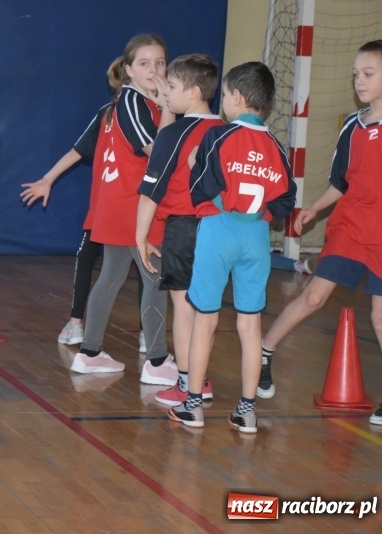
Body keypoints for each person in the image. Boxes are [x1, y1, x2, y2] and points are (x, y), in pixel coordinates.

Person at [260, 40, 382, 425]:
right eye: (356, 75)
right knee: (314, 297)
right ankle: (264, 353)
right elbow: (341, 182)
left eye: (368, 74)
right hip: (351, 225)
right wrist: (315, 208)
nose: (359, 81)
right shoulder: (352, 126)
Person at [168, 61, 296, 433]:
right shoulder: (276, 147)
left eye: (224, 94)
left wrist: (195, 165)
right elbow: (286, 200)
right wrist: (258, 215)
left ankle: (193, 405)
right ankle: (247, 410)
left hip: (218, 232)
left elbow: (200, 188)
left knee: (204, 320)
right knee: (250, 325)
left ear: (237, 98)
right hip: (256, 237)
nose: (223, 100)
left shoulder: (218, 137)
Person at [67, 34, 178, 383]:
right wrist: (170, 108)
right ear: (129, 69)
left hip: (127, 206)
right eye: (145, 63)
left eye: (160, 62)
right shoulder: (132, 101)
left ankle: (90, 353)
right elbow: (155, 151)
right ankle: (158, 361)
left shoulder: (147, 103)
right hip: (134, 207)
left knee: (112, 277)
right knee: (155, 280)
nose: (154, 69)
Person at [21, 57, 149, 349]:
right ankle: (137, 333)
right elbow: (78, 150)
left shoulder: (142, 114)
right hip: (117, 204)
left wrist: (49, 178)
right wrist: (48, 179)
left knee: (130, 264)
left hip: (124, 203)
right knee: (141, 265)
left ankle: (80, 325)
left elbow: (75, 153)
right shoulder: (108, 115)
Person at [135, 53, 224, 406]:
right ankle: (200, 380)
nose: (165, 93)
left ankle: (188, 384)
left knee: (183, 306)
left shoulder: (173, 134)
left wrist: (140, 237)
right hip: (220, 228)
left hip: (184, 228)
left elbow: (151, 191)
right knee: (207, 309)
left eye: (171, 87)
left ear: (194, 90)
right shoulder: (226, 130)